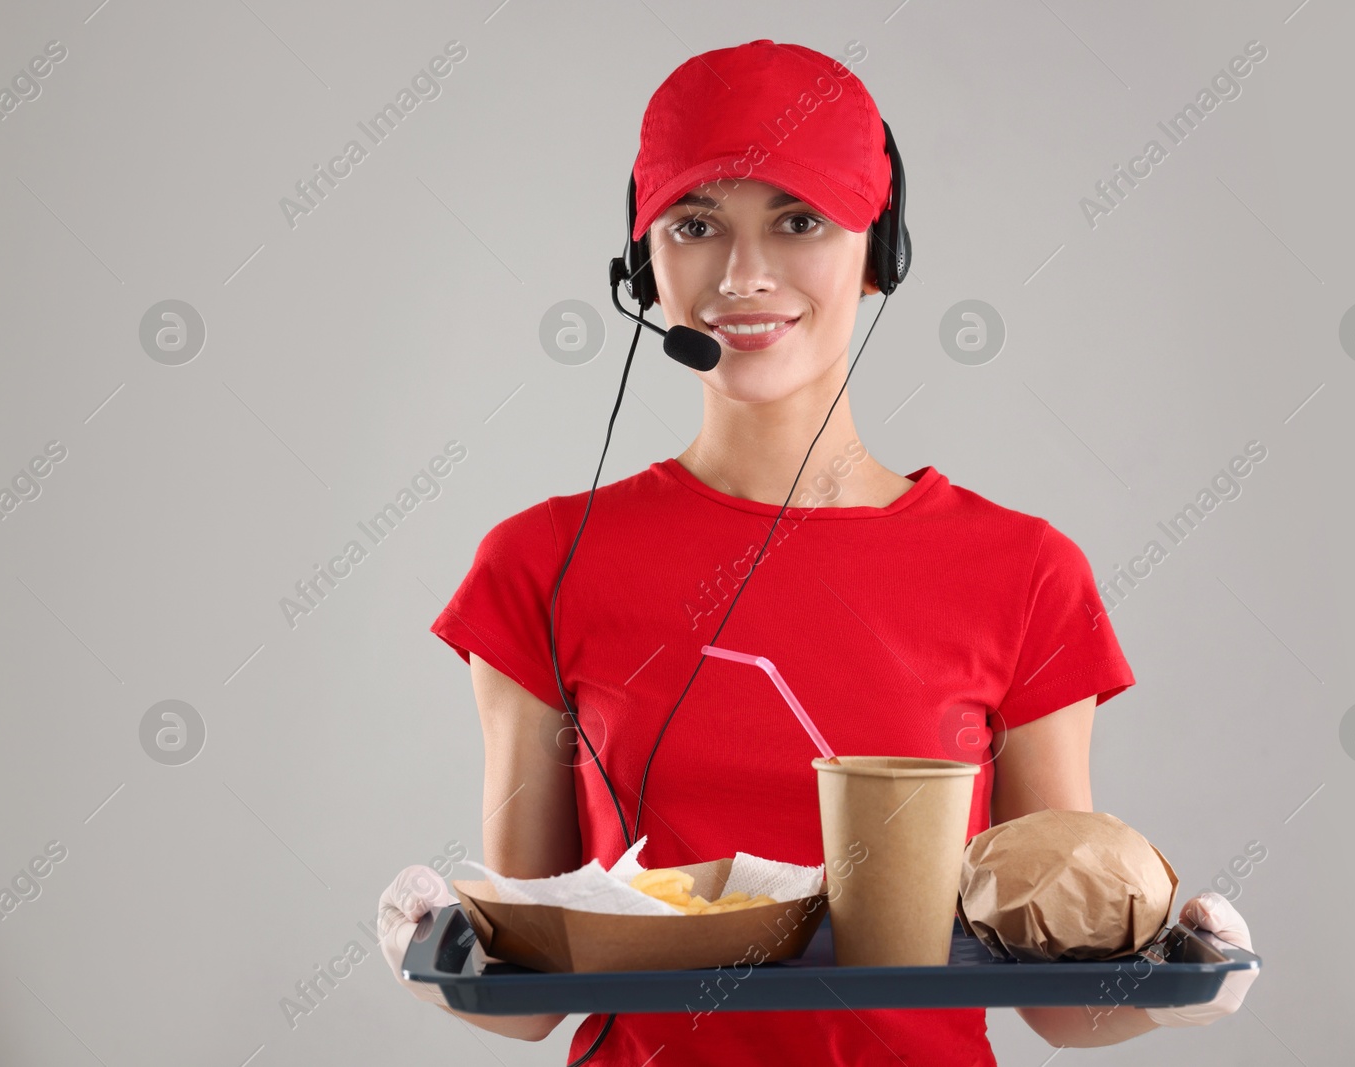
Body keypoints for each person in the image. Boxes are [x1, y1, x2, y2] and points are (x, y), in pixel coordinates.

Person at [377, 38, 1257, 1065]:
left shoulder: (1024, 574)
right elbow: (531, 997)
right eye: (695, 224)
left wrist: (1185, 984)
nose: (743, 275)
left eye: (798, 221)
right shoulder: (538, 564)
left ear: (878, 255)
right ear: (641, 264)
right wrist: (436, 950)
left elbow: (1056, 1000)